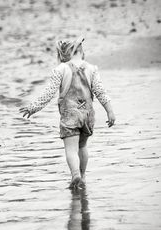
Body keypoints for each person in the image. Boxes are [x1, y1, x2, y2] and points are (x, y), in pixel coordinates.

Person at [19, 36, 116, 189]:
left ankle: (75, 175)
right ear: (81, 51)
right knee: (82, 146)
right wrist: (110, 111)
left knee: (71, 149)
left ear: (63, 55)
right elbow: (100, 92)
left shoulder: (61, 69)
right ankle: (83, 176)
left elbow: (49, 93)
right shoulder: (92, 69)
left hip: (70, 115)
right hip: (87, 115)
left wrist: (34, 107)